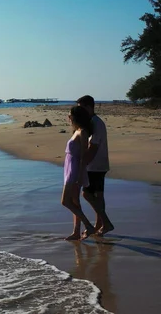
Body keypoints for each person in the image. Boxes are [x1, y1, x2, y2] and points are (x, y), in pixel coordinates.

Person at [76, 95, 114, 236]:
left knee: (86, 194)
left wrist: (82, 165)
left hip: (95, 165)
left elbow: (93, 147)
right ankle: (101, 224)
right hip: (99, 164)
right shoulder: (93, 121)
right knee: (98, 196)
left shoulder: (96, 123)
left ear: (88, 107)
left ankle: (105, 222)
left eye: (81, 108)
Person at [62, 105, 96, 240]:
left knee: (65, 201)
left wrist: (81, 174)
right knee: (75, 201)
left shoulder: (82, 132)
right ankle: (76, 231)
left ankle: (88, 225)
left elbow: (83, 155)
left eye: (70, 115)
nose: (68, 117)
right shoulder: (77, 131)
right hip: (69, 166)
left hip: (74, 168)